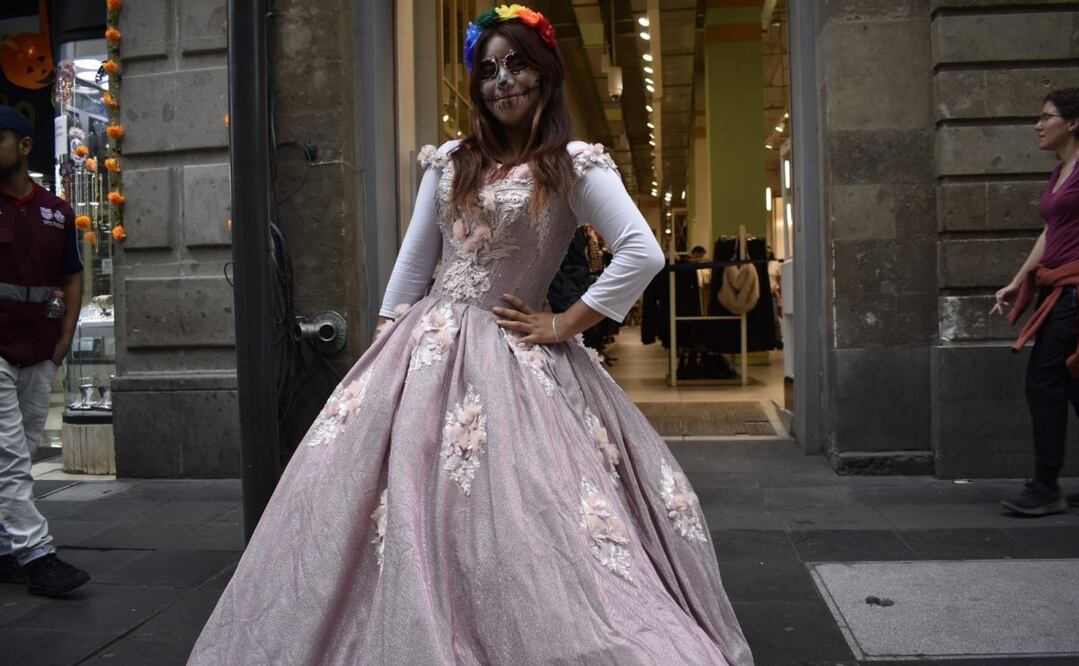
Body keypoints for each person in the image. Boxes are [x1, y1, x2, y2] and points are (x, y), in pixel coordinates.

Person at [189, 6, 752, 664]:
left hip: (512, 351)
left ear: (544, 74)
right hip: (421, 348)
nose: (501, 80)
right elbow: (410, 269)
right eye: (487, 69)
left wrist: (565, 322)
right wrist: (380, 363)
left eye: (516, 64)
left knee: (524, 508)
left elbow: (641, 252)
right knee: (387, 502)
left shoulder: (570, 165)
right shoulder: (451, 160)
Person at [0, 105, 91, 596]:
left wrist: (66, 336)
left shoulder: (56, 212)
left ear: (24, 145)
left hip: (38, 349)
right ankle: (37, 556)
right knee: (10, 456)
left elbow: (72, 275)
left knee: (23, 450)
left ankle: (1, 547)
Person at [992, 88, 1079, 516]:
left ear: (1074, 122)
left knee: (1043, 381)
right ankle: (1047, 482)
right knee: (1075, 385)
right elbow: (1051, 234)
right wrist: (1017, 281)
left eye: (1046, 117)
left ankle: (1046, 485)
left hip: (1075, 293)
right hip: (1057, 290)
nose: (1038, 125)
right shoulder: (1060, 172)